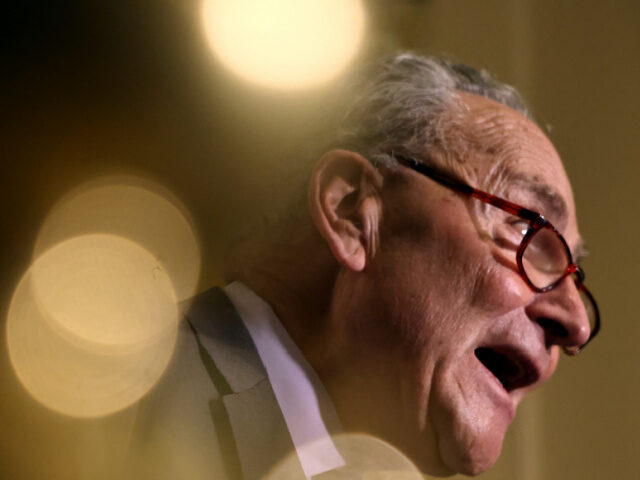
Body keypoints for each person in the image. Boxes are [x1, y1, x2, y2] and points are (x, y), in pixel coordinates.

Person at [124, 52, 599, 479]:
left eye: (574, 274)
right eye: (526, 229)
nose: (576, 324)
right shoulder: (119, 396)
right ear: (352, 212)